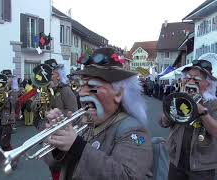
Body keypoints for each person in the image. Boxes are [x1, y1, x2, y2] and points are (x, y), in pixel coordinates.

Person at [45, 47, 153, 180]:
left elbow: (128, 177)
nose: (81, 93)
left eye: (92, 87)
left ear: (118, 93)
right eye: (81, 85)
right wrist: (57, 143)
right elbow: (53, 165)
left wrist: (77, 146)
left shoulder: (134, 131)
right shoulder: (80, 122)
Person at [159, 59, 217, 180]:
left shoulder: (214, 104)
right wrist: (174, 105)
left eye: (196, 80)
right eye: (188, 78)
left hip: (201, 168)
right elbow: (163, 123)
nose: (190, 82)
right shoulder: (178, 97)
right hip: (176, 161)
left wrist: (201, 110)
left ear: (208, 83)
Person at [41, 59, 79, 180]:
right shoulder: (43, 90)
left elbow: (74, 112)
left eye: (51, 73)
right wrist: (38, 104)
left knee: (61, 167)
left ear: (57, 75)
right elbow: (34, 108)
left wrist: (54, 113)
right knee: (52, 165)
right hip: (48, 131)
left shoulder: (65, 89)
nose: (47, 76)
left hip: (62, 132)